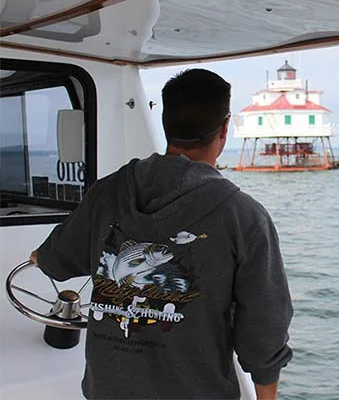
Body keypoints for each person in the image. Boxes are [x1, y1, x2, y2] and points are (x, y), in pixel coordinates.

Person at [29, 68, 293, 399]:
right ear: (225, 128)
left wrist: (41, 256)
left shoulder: (106, 193)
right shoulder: (245, 217)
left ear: (165, 123)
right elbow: (264, 332)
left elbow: (56, 260)